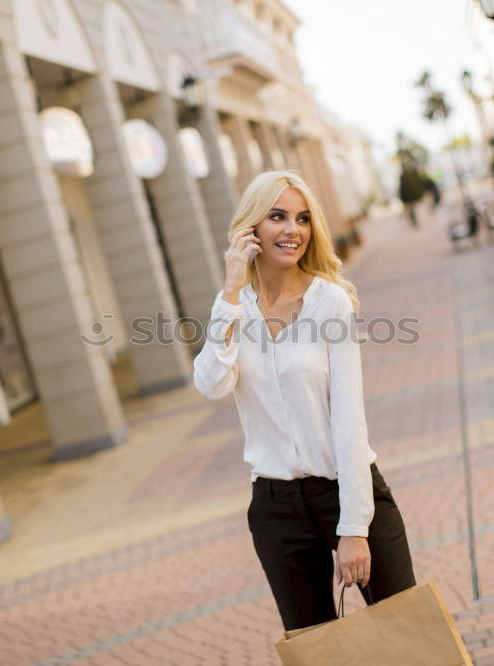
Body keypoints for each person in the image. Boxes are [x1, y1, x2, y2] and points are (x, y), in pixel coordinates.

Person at [192, 170, 417, 632]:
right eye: (278, 216)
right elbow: (211, 383)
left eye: (302, 218)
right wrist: (230, 292)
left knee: (409, 636)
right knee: (316, 649)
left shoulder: (329, 302)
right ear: (251, 228)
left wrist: (354, 526)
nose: (293, 230)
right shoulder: (234, 309)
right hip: (276, 507)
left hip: (346, 490)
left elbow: (349, 420)